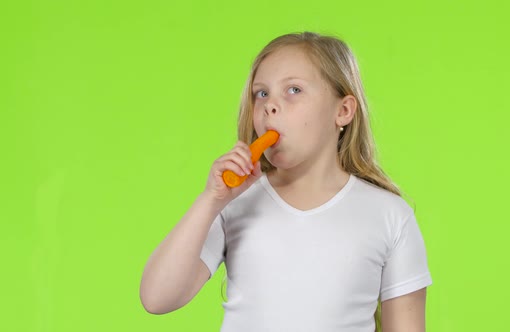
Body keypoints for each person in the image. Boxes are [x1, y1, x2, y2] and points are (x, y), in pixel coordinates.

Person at [140, 31, 432, 332]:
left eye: (293, 90)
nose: (270, 106)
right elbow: (157, 298)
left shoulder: (390, 216)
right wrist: (210, 201)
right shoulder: (235, 203)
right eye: (261, 93)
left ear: (343, 111)